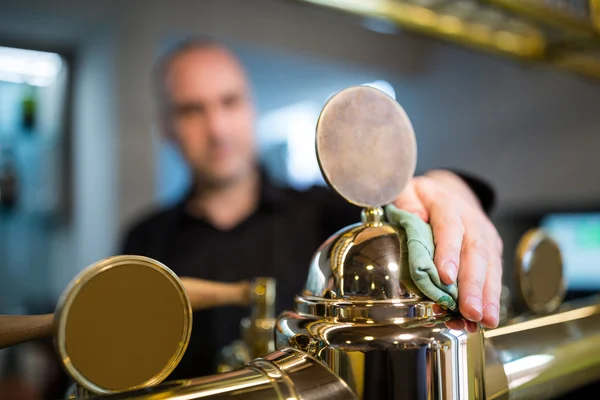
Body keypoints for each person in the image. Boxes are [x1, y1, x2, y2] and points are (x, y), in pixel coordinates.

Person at [121, 37, 502, 380]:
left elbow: (403, 200)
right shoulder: (145, 240)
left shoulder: (324, 211)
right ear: (167, 127)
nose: (217, 127)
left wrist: (448, 189)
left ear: (251, 108)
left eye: (229, 101)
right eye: (191, 110)